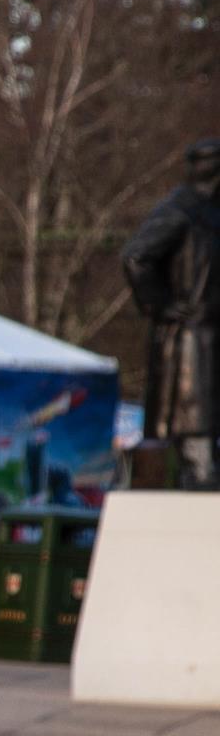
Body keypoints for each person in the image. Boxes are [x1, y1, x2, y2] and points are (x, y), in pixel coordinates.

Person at [121, 137, 220, 489]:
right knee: (196, 430)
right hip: (190, 342)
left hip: (208, 335)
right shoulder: (181, 212)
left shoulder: (210, 214)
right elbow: (136, 256)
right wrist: (162, 304)